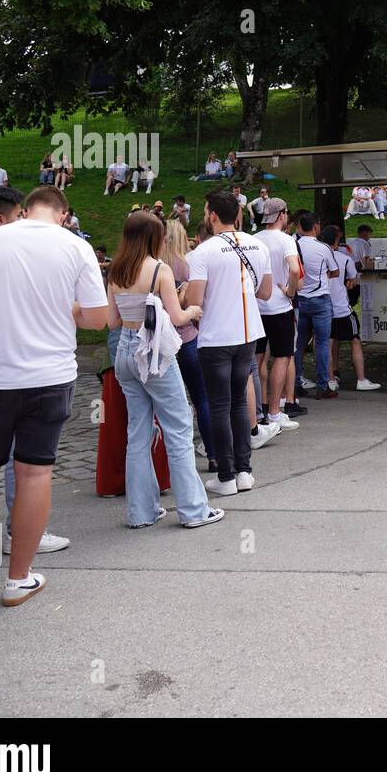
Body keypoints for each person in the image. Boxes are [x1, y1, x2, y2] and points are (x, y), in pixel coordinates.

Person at [0, 186, 108, 605]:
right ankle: (18, 578)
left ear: (25, 210)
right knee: (34, 473)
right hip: (50, 376)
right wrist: (69, 310)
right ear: (63, 215)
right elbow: (98, 319)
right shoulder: (75, 247)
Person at [106, 212, 224, 530]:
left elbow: (112, 321)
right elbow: (176, 317)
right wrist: (193, 310)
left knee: (138, 434)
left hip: (125, 355)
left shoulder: (116, 270)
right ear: (154, 237)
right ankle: (193, 509)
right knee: (179, 430)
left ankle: (141, 512)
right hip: (154, 356)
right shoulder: (160, 270)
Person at [186, 191, 274, 497]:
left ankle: (225, 475)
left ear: (212, 215)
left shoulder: (203, 252)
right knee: (238, 401)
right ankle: (244, 471)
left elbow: (195, 301)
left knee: (220, 405)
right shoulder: (258, 245)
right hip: (248, 333)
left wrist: (182, 294)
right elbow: (265, 293)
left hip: (216, 337)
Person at [163, 220, 217, 470]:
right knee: (202, 397)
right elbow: (195, 303)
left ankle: (166, 460)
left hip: (161, 341)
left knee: (165, 404)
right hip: (186, 337)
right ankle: (214, 453)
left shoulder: (153, 264)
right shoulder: (186, 265)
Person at [253, 199, 301, 430]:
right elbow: (294, 269)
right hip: (279, 308)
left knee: (256, 359)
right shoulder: (286, 240)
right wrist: (290, 292)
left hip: (256, 306)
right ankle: (274, 412)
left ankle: (254, 414)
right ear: (282, 215)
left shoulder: (254, 239)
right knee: (282, 357)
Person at [319, 226, 381, 391]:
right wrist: (348, 282)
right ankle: (361, 379)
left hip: (324, 308)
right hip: (342, 309)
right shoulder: (343, 258)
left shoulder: (315, 258)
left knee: (328, 342)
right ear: (337, 240)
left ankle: (331, 379)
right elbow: (354, 279)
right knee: (355, 341)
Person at [293, 212, 339, 399]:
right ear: (316, 227)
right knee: (321, 343)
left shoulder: (293, 246)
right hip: (320, 300)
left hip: (300, 300)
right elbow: (335, 271)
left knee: (299, 343)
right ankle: (322, 385)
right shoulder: (323, 248)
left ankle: (295, 383)